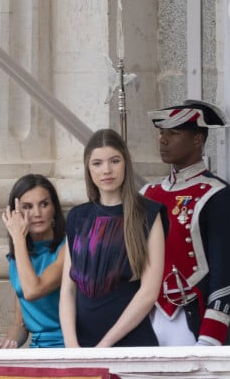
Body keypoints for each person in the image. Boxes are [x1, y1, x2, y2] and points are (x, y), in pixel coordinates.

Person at [141, 99, 230, 346]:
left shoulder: (218, 195)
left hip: (192, 322)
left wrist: (210, 338)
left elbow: (226, 274)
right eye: (161, 133)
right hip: (145, 318)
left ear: (198, 139)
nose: (163, 140)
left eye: (173, 133)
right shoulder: (147, 194)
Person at [59, 128, 167, 347]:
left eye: (114, 160)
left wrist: (103, 348)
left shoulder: (148, 214)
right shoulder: (77, 217)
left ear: (125, 163)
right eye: (97, 163)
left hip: (131, 345)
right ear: (88, 169)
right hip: (82, 347)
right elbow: (68, 290)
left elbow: (148, 293)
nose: (106, 170)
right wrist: (73, 348)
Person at [0, 174, 66, 348]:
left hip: (68, 346)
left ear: (54, 209)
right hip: (37, 348)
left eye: (44, 204)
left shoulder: (67, 248)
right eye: (27, 207)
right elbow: (20, 325)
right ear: (15, 213)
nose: (36, 213)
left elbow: (34, 290)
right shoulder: (19, 255)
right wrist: (7, 344)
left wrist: (18, 238)